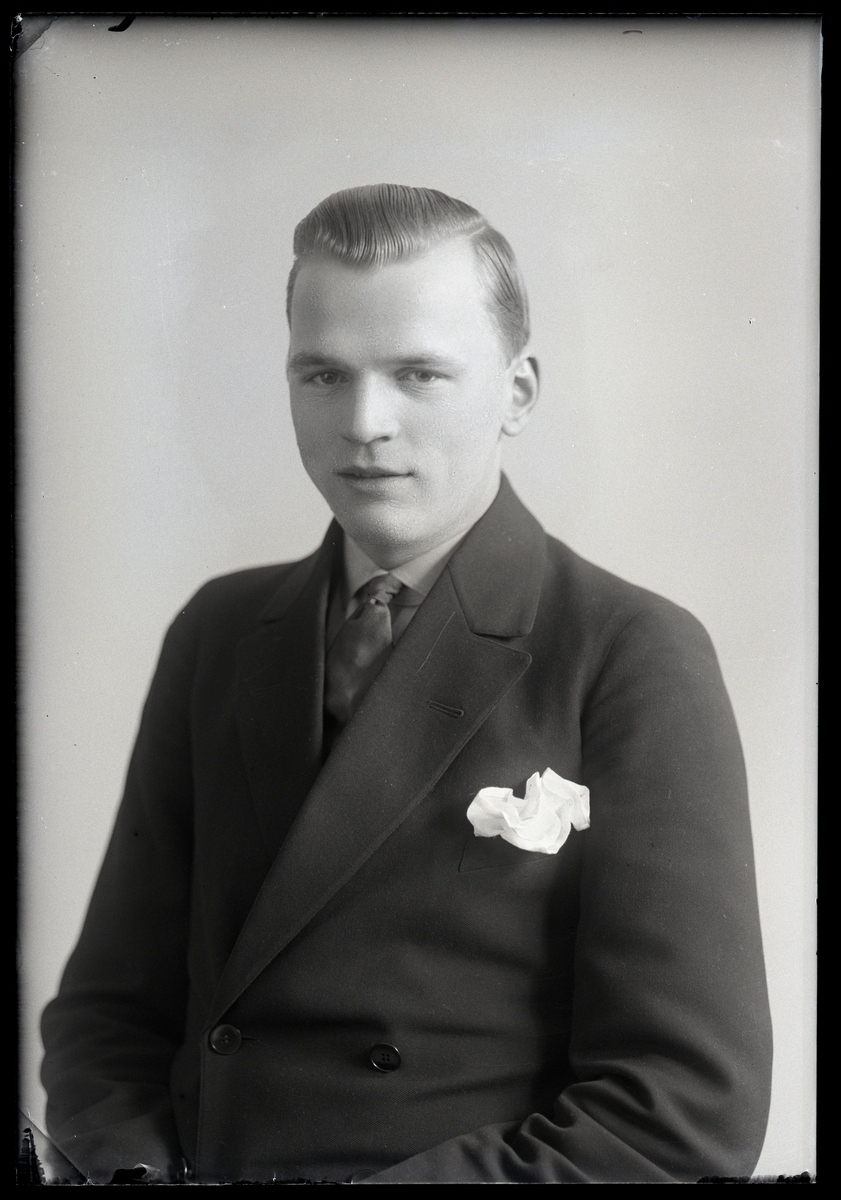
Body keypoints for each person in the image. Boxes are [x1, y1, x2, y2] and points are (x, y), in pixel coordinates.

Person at [40, 183, 772, 1184]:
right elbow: (108, 1013)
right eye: (322, 374)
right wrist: (130, 1173)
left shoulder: (631, 651)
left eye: (418, 373)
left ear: (517, 392)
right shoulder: (218, 630)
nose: (364, 422)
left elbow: (681, 1111)